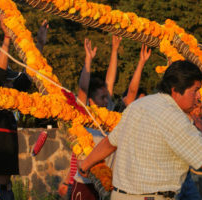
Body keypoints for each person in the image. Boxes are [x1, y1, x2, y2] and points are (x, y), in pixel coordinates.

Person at [78, 60, 202, 200]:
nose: (199, 96)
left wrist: (85, 164)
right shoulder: (175, 117)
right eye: (195, 90)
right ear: (176, 90)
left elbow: (110, 142)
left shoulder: (138, 105)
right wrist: (201, 131)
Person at [0, 15, 47, 200]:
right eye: (7, 82)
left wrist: (40, 45)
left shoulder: (9, 102)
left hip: (7, 190)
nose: (11, 87)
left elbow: (29, 76)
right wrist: (6, 39)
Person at [69, 35, 121, 200]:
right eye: (102, 98)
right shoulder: (84, 114)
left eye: (107, 97)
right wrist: (88, 59)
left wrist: (114, 50)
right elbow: (83, 87)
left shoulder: (108, 116)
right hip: (85, 185)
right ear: (91, 101)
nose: (107, 101)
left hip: (106, 185)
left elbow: (110, 82)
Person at [115, 44, 151, 112]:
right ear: (124, 100)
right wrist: (141, 62)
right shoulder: (126, 113)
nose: (140, 105)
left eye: (143, 102)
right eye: (137, 101)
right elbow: (132, 92)